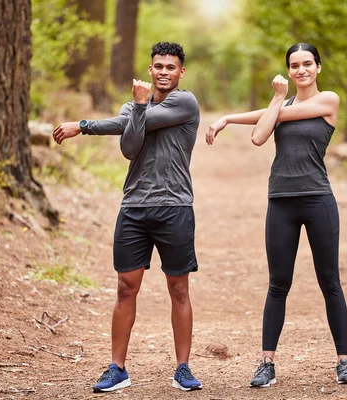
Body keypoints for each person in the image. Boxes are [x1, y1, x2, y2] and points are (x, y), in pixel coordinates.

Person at [205, 42, 347, 386]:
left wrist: (274, 101)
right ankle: (267, 364)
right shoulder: (282, 104)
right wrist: (228, 118)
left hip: (318, 198)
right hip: (281, 200)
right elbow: (261, 134)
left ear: (318, 67)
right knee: (278, 284)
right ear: (288, 70)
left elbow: (268, 123)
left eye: (307, 63)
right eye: (294, 65)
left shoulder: (328, 101)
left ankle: (344, 361)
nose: (301, 70)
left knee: (329, 281)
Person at [53, 42, 203, 392]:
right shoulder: (132, 107)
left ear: (181, 72)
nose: (164, 72)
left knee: (178, 288)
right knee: (125, 288)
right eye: (158, 66)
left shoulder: (185, 102)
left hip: (175, 207)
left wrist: (84, 125)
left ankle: (182, 368)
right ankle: (117, 368)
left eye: (171, 67)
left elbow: (140, 121)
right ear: (149, 70)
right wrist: (135, 108)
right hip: (134, 208)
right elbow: (129, 147)